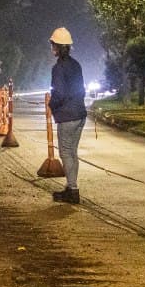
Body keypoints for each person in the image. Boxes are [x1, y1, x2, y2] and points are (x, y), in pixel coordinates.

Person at [48, 27, 87, 204]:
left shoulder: (58, 68)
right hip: (79, 114)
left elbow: (59, 93)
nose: (52, 48)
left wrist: (52, 105)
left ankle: (72, 190)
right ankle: (71, 186)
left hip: (67, 116)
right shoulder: (76, 65)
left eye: (53, 45)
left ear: (57, 46)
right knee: (72, 152)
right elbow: (81, 90)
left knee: (65, 152)